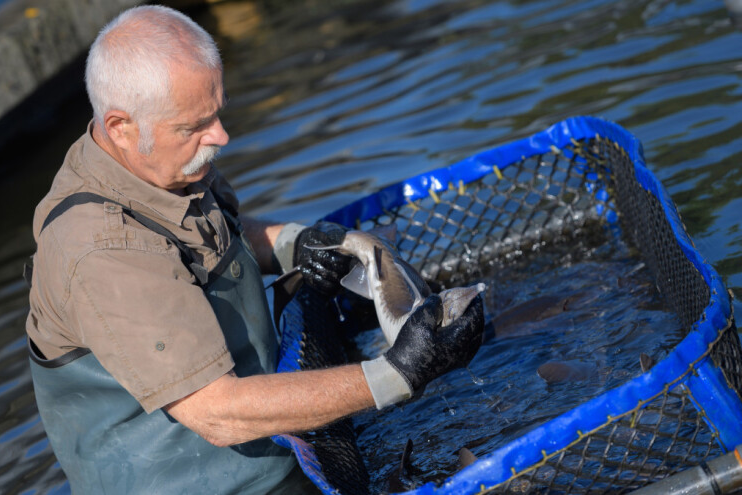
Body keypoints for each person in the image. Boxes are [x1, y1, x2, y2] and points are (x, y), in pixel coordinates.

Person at [25, 5, 481, 494]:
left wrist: (293, 245)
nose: (220, 135)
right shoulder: (101, 251)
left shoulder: (159, 156)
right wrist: (397, 374)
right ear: (120, 127)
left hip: (274, 441)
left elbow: (218, 231)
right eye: (195, 126)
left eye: (216, 111)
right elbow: (216, 414)